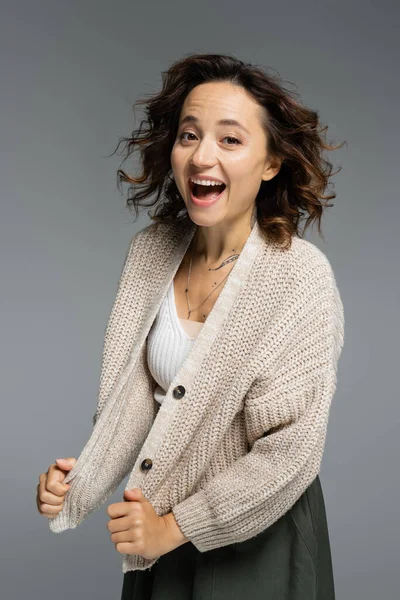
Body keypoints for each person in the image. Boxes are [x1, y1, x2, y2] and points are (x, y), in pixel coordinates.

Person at [36, 53, 346, 599]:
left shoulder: (300, 278)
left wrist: (175, 529)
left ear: (271, 161)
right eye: (189, 135)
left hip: (257, 535)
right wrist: (77, 484)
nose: (202, 156)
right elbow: (137, 398)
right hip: (158, 519)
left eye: (230, 140)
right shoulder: (150, 252)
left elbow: (290, 452)